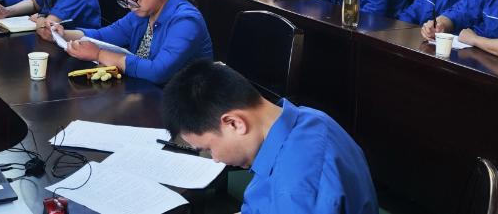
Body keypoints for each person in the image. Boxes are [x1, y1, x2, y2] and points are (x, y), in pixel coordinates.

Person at [162, 60, 378, 214]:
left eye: (208, 149)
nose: (215, 158)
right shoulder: (311, 118)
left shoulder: (294, 190)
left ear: (234, 123)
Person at [54, 0, 213, 85]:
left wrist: (99, 54)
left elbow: (158, 71)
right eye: (125, 0)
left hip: (187, 100)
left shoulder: (186, 21)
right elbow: (103, 35)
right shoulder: (142, 12)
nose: (130, 6)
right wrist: (62, 34)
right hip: (147, 91)